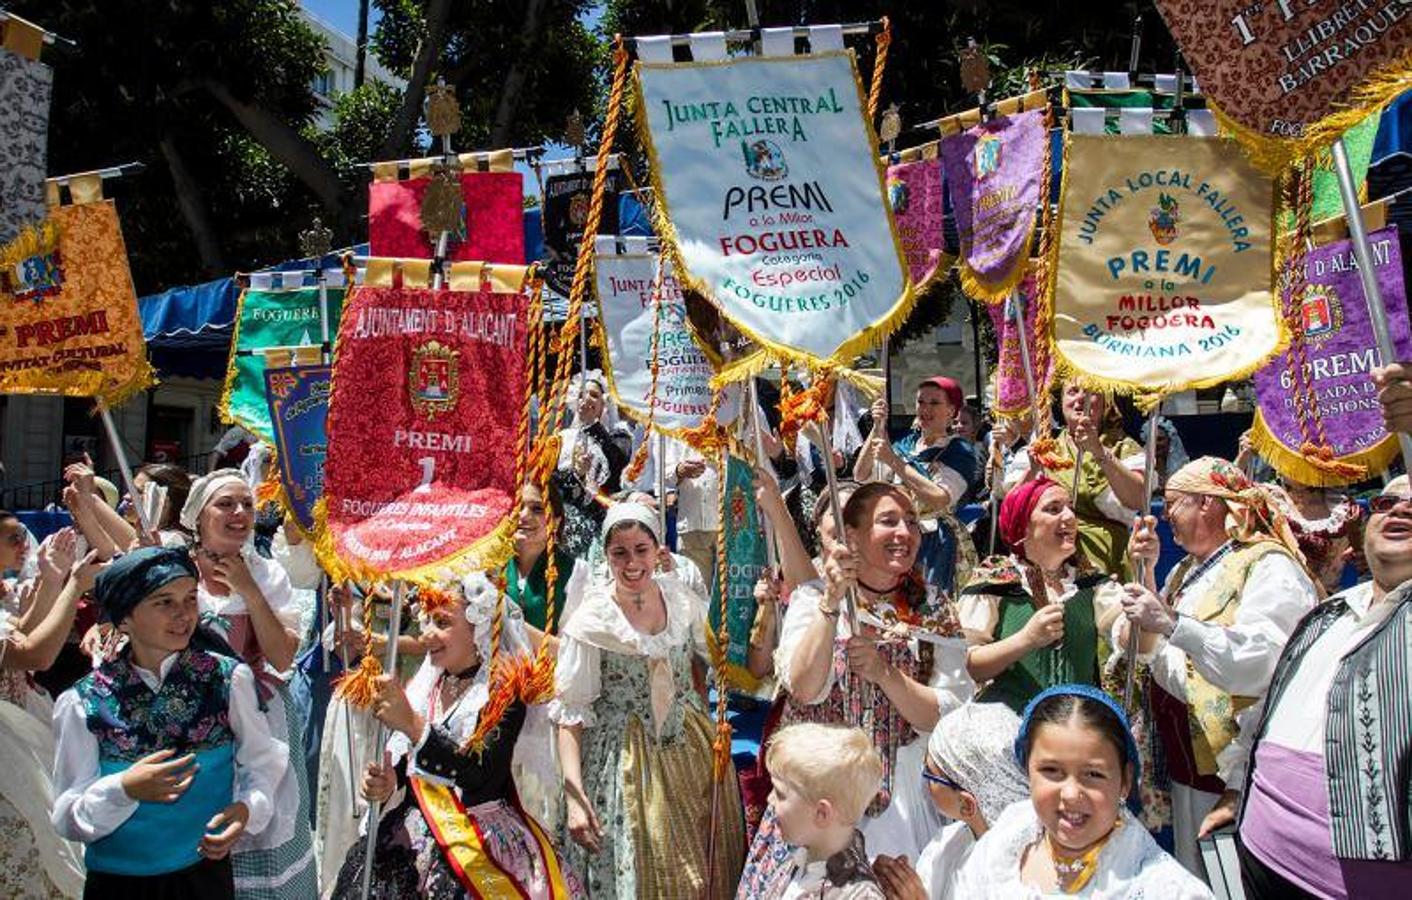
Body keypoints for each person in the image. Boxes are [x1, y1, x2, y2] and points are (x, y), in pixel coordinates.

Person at [1114, 456, 1318, 877]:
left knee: (1229, 878)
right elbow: (1159, 648)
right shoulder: (1187, 570)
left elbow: (1262, 662)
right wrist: (1148, 573)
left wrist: (1171, 622)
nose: (1165, 514)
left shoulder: (1269, 566)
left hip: (1234, 769)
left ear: (1207, 503)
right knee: (1192, 875)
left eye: (1172, 503)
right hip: (1184, 762)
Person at [331, 573, 585, 898]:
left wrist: (413, 725)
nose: (426, 634)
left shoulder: (502, 689)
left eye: (441, 622)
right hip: (413, 825)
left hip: (481, 835)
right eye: (427, 621)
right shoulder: (431, 684)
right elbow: (412, 763)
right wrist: (390, 781)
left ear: (477, 628)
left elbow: (482, 774)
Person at [52, 547, 286, 899]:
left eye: (190, 599)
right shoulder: (85, 701)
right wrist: (124, 789)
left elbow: (260, 760)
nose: (183, 614)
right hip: (119, 885)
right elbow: (67, 814)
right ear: (124, 618)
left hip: (203, 878)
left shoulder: (226, 679)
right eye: (163, 602)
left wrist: (247, 808)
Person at [1221, 474, 1412, 898]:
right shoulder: (1326, 613)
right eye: (1386, 503)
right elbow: (1272, 713)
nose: (1400, 509)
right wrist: (1238, 790)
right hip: (1261, 857)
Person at [767, 482, 974, 860]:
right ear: (853, 537)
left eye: (911, 522)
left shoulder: (934, 606)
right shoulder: (814, 598)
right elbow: (805, 689)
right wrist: (830, 605)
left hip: (906, 798)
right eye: (889, 521)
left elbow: (948, 715)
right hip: (824, 791)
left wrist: (884, 674)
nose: (904, 533)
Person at [552, 502, 744, 897]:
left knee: (700, 870)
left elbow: (725, 662)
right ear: (606, 555)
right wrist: (574, 797)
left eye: (641, 549)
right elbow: (571, 713)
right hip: (621, 762)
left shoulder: (681, 600)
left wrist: (761, 610)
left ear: (659, 550)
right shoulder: (592, 620)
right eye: (619, 552)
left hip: (688, 747)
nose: (631, 562)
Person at [180, 470, 318, 898]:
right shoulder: (175, 568)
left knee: (260, 827)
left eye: (247, 505)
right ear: (199, 516)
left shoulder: (269, 573)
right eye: (226, 504)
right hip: (186, 721)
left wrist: (249, 590)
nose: (239, 513)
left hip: (257, 719)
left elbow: (281, 656)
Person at [952, 685, 1211, 898]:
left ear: (1125, 780)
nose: (1070, 794)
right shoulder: (1005, 842)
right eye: (1051, 770)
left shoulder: (1162, 889)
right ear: (1027, 769)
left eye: (1093, 775)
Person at [959, 478, 1125, 713]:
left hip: (1076, 726)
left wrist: (1146, 570)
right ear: (1022, 525)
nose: (1069, 516)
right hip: (1011, 725)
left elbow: (1134, 639)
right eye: (1053, 509)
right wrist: (1026, 639)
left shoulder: (1091, 583)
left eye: (1070, 508)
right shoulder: (995, 581)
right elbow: (967, 666)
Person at [0, 530, 89, 899]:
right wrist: (75, 586)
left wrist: (53, 579)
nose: (21, 544)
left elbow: (21, 633)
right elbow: (36, 655)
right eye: (11, 537)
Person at [871, 702, 1030, 900]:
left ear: (967, 805)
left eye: (930, 774)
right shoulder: (949, 842)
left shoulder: (1022, 873)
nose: (924, 779)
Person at [853, 376, 979, 597]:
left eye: (934, 403)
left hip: (934, 543)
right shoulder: (906, 443)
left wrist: (894, 462)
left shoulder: (960, 450)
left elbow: (940, 497)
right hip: (895, 536)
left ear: (951, 411)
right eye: (921, 402)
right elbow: (861, 475)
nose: (925, 409)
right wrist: (878, 426)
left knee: (927, 604)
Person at [1004, 383, 1146, 577]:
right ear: (1061, 401)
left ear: (1106, 403)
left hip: (1107, 561)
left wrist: (1098, 451)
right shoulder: (1046, 447)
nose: (1080, 398)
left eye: (1091, 392)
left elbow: (1138, 499)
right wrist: (1033, 468)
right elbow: (1011, 512)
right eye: (1072, 391)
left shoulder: (1125, 449)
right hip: (1051, 560)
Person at [735, 723, 887, 899]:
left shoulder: (858, 895)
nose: (770, 800)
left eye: (780, 794)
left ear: (822, 813)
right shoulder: (800, 857)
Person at [553, 376, 630, 558]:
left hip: (603, 520)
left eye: (594, 395)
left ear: (604, 404)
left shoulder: (618, 436)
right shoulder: (561, 439)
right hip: (569, 523)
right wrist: (577, 472)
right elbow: (554, 483)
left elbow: (617, 463)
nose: (586, 399)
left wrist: (592, 426)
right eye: (581, 395)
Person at [1265, 477, 1363, 594]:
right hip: (1286, 593)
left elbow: (1358, 553)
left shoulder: (1343, 506)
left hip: (1332, 596)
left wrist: (1354, 536)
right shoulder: (1270, 500)